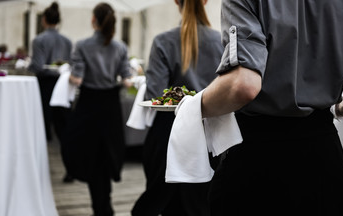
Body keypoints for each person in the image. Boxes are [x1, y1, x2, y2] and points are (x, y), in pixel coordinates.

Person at [200, 1, 343, 215]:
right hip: (325, 160)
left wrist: (192, 107)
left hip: (256, 162)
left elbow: (243, 85)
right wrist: (342, 107)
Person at [131, 0, 223, 215]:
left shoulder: (163, 41)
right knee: (201, 205)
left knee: (162, 204)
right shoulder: (222, 41)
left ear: (176, 2)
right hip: (209, 135)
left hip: (169, 134)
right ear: (206, 1)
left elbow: (155, 96)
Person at [61, 3, 132, 216]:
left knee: (90, 155)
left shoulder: (81, 45)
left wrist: (66, 75)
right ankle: (105, 203)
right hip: (110, 106)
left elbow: (78, 79)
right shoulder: (120, 47)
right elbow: (127, 81)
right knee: (106, 154)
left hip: (89, 105)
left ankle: (99, 206)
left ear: (94, 20)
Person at [28, 2, 73, 183]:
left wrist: (30, 65)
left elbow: (38, 67)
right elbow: (70, 65)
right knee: (63, 132)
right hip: (63, 88)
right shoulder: (67, 41)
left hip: (46, 87)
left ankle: (39, 170)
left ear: (44, 20)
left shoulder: (39, 40)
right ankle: (70, 169)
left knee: (41, 129)